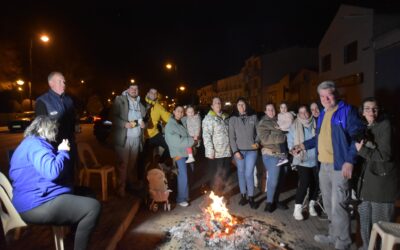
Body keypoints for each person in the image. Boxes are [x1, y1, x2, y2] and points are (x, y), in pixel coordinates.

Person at [9, 116, 101, 250]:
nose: (54, 134)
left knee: (88, 193)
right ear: (41, 128)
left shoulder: (29, 143)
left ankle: (75, 235)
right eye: (52, 130)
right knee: (93, 207)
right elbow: (52, 172)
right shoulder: (36, 145)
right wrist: (63, 151)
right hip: (37, 205)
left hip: (37, 197)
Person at [297, 81, 363, 250]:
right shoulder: (323, 114)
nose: (325, 99)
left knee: (339, 205)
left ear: (336, 94)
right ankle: (333, 235)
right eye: (322, 96)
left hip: (340, 167)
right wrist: (303, 145)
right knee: (328, 204)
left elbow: (358, 136)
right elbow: (319, 138)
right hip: (324, 166)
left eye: (329, 95)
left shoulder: (347, 111)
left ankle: (344, 242)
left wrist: (349, 160)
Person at [355, 97, 397, 250]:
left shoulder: (385, 126)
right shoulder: (365, 127)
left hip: (382, 185)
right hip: (367, 186)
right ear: (362, 111)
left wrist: (362, 150)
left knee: (379, 228)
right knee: (365, 223)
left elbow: (385, 155)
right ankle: (367, 247)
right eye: (367, 108)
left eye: (375, 108)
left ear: (379, 111)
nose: (371, 111)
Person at [35, 72, 77, 184]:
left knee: (71, 175)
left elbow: (73, 122)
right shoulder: (42, 101)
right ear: (51, 83)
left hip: (70, 146)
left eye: (64, 81)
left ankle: (71, 197)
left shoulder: (69, 100)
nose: (64, 83)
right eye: (60, 81)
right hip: (54, 148)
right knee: (59, 177)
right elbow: (41, 130)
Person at [110, 83, 146, 197]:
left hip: (136, 138)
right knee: (123, 165)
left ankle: (130, 186)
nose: (134, 90)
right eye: (131, 88)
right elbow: (111, 116)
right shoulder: (120, 100)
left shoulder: (140, 103)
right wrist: (124, 124)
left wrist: (145, 124)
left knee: (131, 165)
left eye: (136, 88)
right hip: (124, 139)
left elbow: (143, 119)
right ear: (127, 89)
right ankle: (120, 189)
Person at [287, 105, 318, 220]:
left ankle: (311, 205)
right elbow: (290, 141)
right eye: (300, 112)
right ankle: (297, 209)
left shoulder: (316, 122)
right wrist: (292, 149)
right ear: (298, 114)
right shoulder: (294, 125)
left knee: (315, 183)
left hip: (316, 159)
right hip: (302, 159)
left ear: (309, 113)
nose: (303, 114)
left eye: (305, 112)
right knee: (304, 183)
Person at [228, 97, 259, 209]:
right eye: (239, 105)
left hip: (252, 151)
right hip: (239, 151)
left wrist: (257, 142)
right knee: (240, 173)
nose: (241, 107)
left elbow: (259, 132)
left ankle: (251, 197)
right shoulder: (232, 119)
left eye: (243, 104)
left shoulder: (253, 117)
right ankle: (243, 195)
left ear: (246, 105)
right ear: (236, 106)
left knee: (248, 173)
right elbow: (231, 137)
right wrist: (235, 151)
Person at [257, 103, 288, 213]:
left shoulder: (279, 120)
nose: (271, 111)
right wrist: (283, 136)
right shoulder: (263, 123)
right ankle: (269, 202)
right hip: (271, 154)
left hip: (282, 154)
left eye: (273, 109)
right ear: (265, 111)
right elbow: (265, 139)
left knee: (281, 178)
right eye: (268, 109)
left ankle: (276, 200)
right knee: (274, 180)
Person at [165, 105, 195, 207]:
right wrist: (193, 141)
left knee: (188, 174)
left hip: (186, 152)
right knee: (183, 176)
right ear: (174, 112)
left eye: (182, 112)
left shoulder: (181, 122)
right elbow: (177, 142)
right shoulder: (170, 125)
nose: (180, 113)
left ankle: (185, 196)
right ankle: (180, 198)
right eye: (178, 111)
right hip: (179, 154)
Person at [202, 97, 232, 196]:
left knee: (226, 172)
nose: (218, 104)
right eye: (216, 103)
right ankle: (217, 195)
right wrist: (210, 150)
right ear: (212, 106)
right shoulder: (209, 118)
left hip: (227, 151)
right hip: (216, 152)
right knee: (217, 174)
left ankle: (221, 192)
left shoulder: (225, 117)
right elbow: (206, 135)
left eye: (219, 103)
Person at [143, 88, 171, 164]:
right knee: (143, 160)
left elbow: (168, 117)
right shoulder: (141, 104)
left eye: (155, 93)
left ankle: (159, 163)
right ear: (148, 94)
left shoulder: (158, 107)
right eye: (151, 92)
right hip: (143, 137)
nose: (153, 94)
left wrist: (178, 118)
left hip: (155, 134)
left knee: (170, 147)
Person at [276, 102, 294, 167]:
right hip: (281, 132)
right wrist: (277, 126)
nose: (283, 109)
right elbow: (278, 122)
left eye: (285, 107)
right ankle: (284, 158)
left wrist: (280, 127)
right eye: (281, 107)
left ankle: (291, 160)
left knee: (289, 146)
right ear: (279, 109)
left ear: (287, 108)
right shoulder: (279, 115)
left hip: (288, 132)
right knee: (282, 145)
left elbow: (289, 123)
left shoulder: (289, 114)